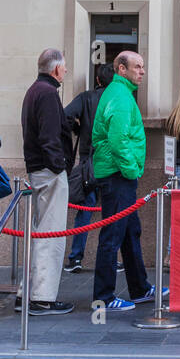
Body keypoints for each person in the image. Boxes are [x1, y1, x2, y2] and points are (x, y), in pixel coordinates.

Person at [91, 51, 163, 311]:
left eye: (143, 67)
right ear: (121, 69)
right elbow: (118, 139)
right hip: (118, 175)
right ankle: (104, 297)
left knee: (130, 232)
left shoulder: (121, 93)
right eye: (137, 67)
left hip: (118, 174)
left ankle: (140, 288)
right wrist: (132, 170)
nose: (142, 71)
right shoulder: (120, 97)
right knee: (112, 235)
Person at [18, 48, 75, 316]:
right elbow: (50, 136)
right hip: (48, 170)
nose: (65, 71)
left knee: (39, 233)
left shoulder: (34, 90)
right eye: (63, 68)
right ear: (55, 69)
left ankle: (27, 292)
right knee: (50, 236)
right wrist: (59, 166)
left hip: (37, 168)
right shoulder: (49, 93)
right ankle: (42, 297)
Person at [62, 63, 112, 272]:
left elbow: (65, 115)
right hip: (111, 162)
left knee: (85, 211)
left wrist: (78, 127)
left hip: (88, 161)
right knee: (111, 213)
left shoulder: (86, 97)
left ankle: (76, 258)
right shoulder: (118, 99)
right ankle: (109, 259)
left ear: (98, 80)